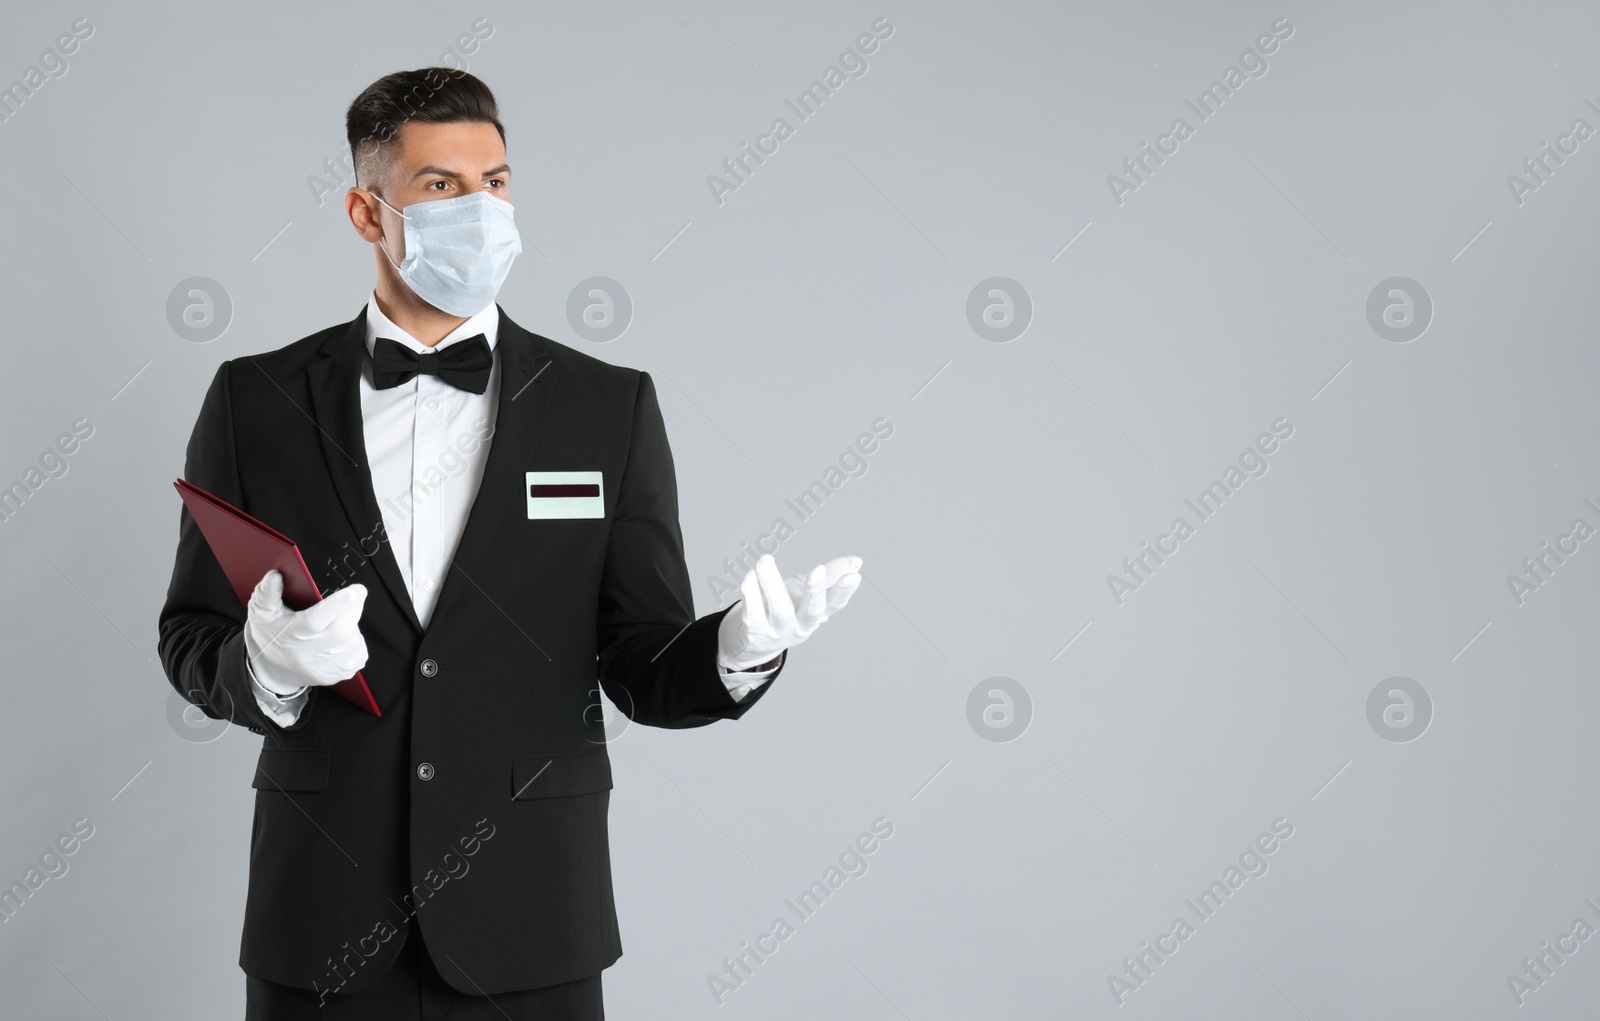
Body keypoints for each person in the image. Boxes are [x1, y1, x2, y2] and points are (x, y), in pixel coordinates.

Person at [156, 67, 863, 1020]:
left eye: (496, 181)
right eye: (441, 186)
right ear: (369, 213)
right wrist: (266, 666)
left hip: (532, 915)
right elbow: (190, 636)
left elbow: (640, 656)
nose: (481, 208)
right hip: (319, 916)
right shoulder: (254, 402)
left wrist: (733, 652)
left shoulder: (606, 408)